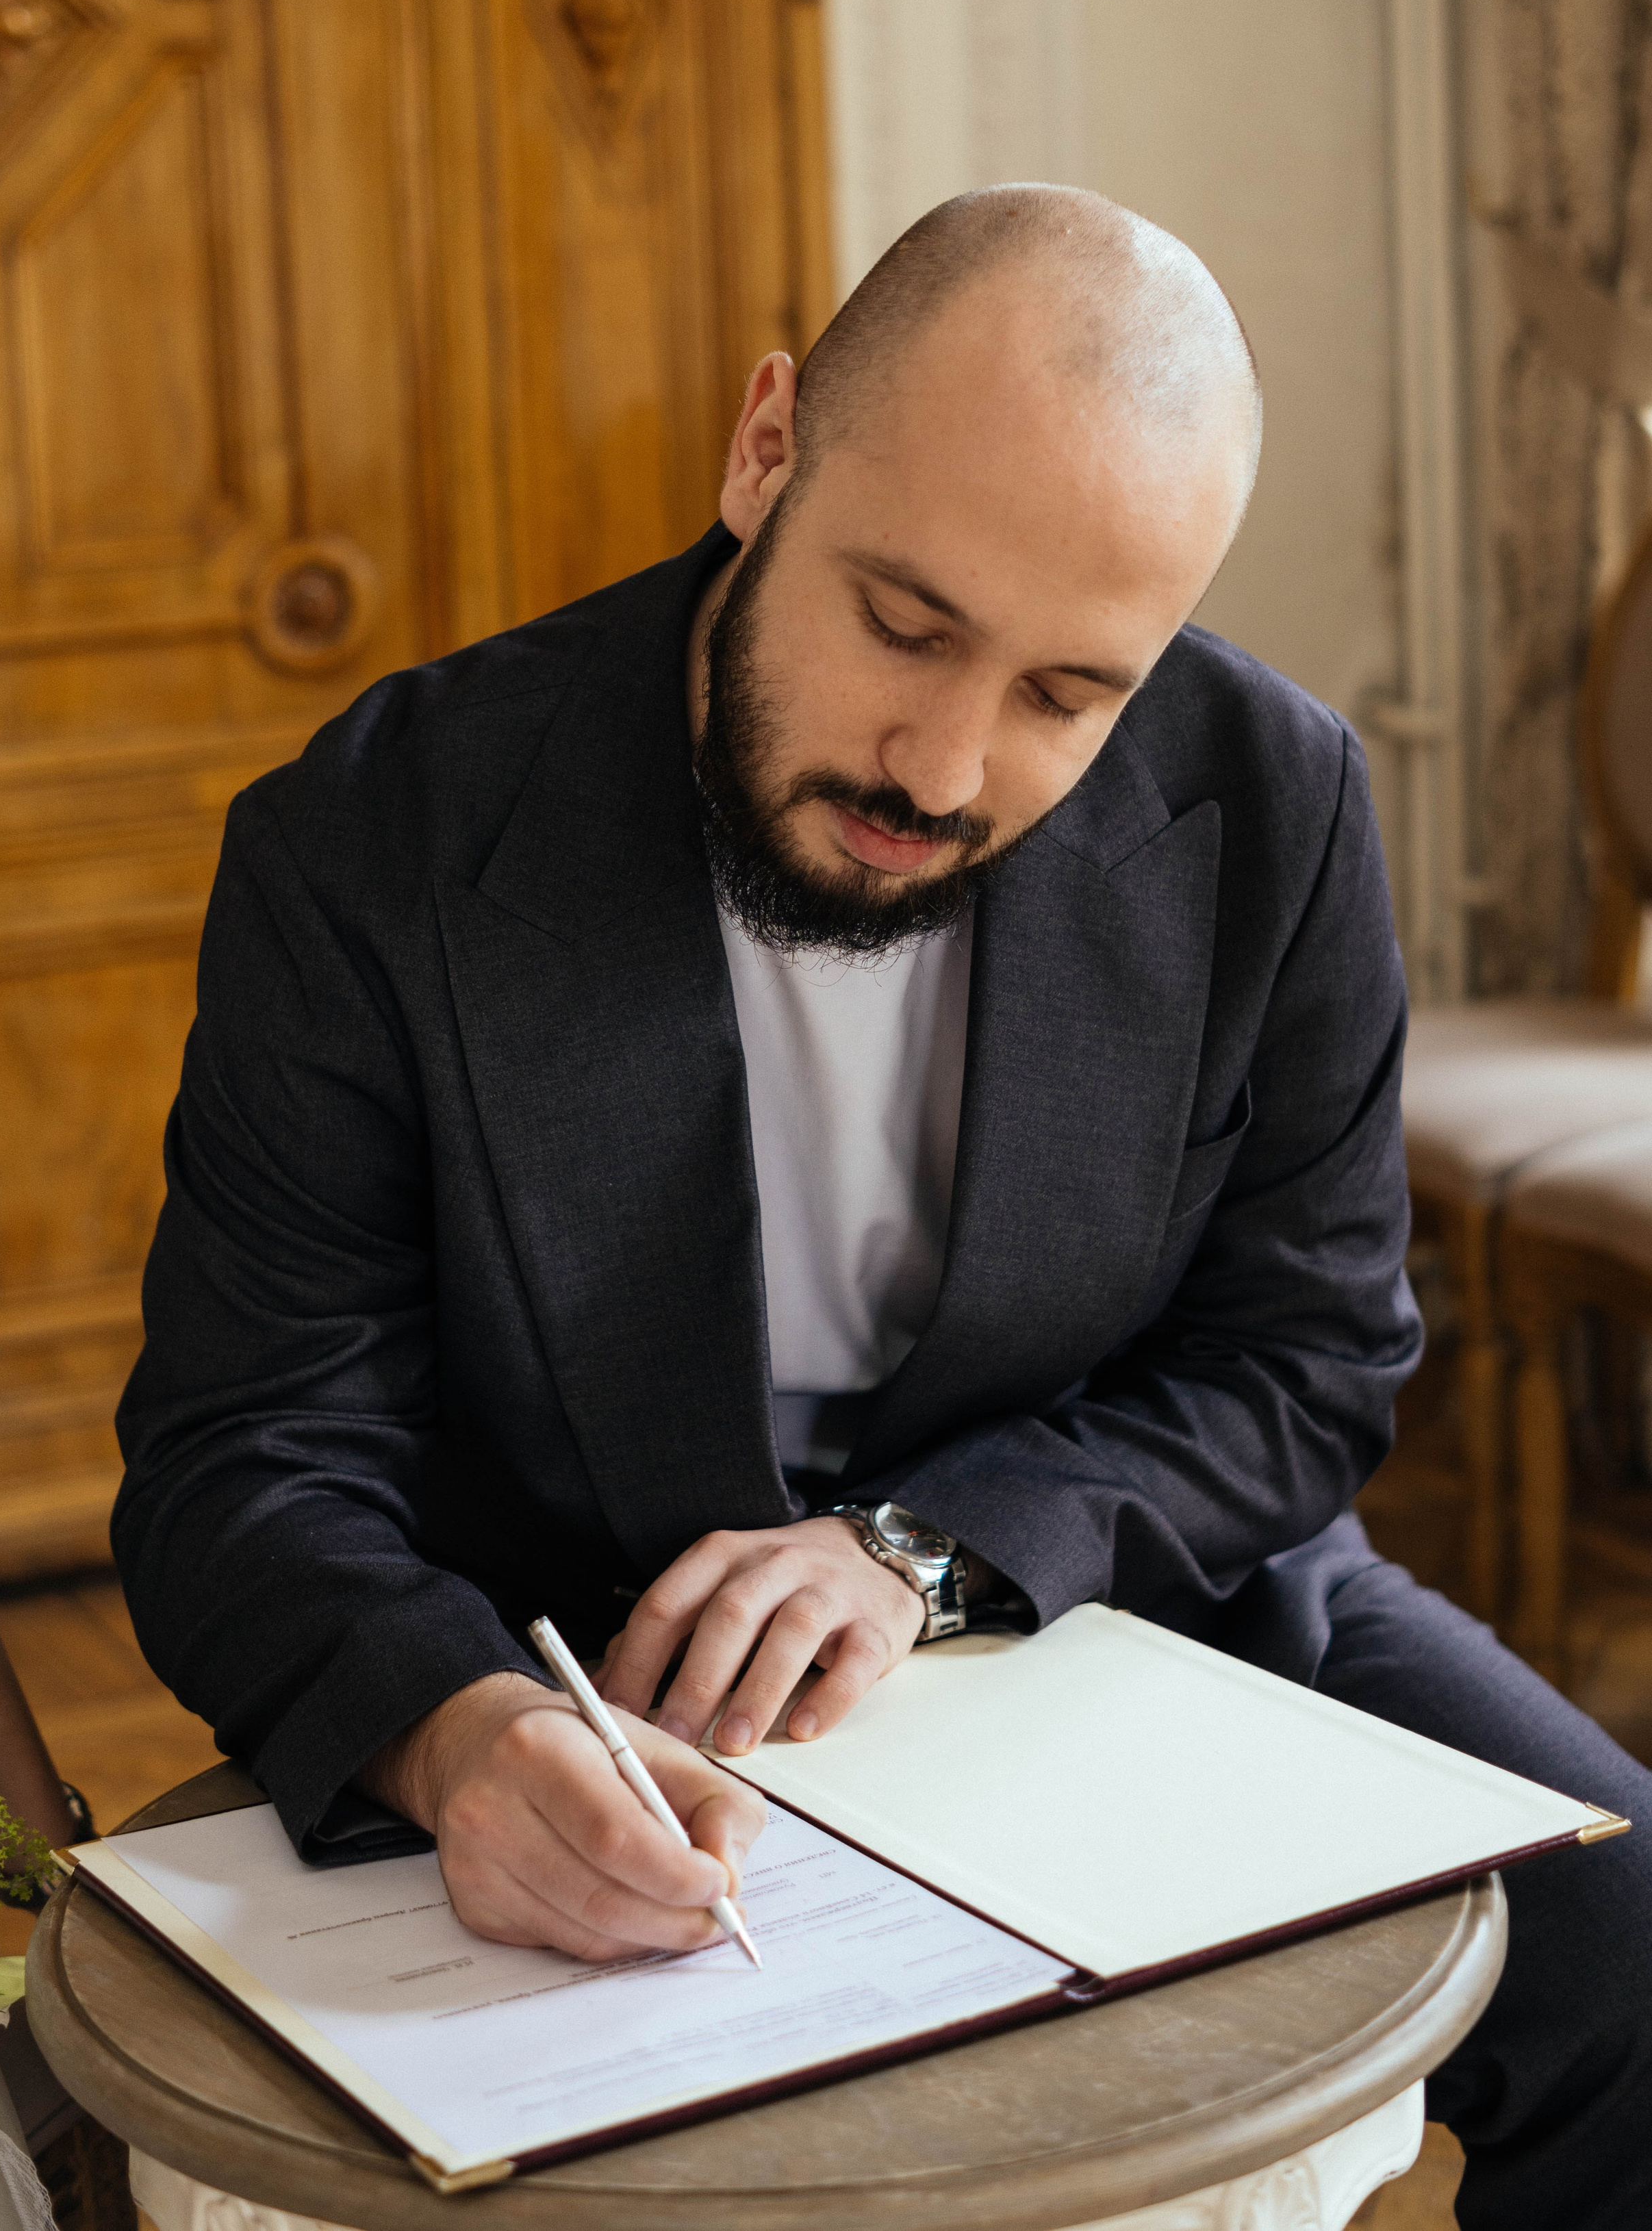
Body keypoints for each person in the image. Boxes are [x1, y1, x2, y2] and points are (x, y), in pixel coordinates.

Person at [114, 186, 1651, 2226]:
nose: (943, 766)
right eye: (907, 627)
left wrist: (920, 1555)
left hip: (1122, 1597)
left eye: (1067, 696)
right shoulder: (375, 838)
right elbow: (244, 1453)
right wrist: (450, 1735)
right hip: (579, 1676)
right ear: (767, 451)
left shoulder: (1275, 798)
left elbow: (1305, 1361)